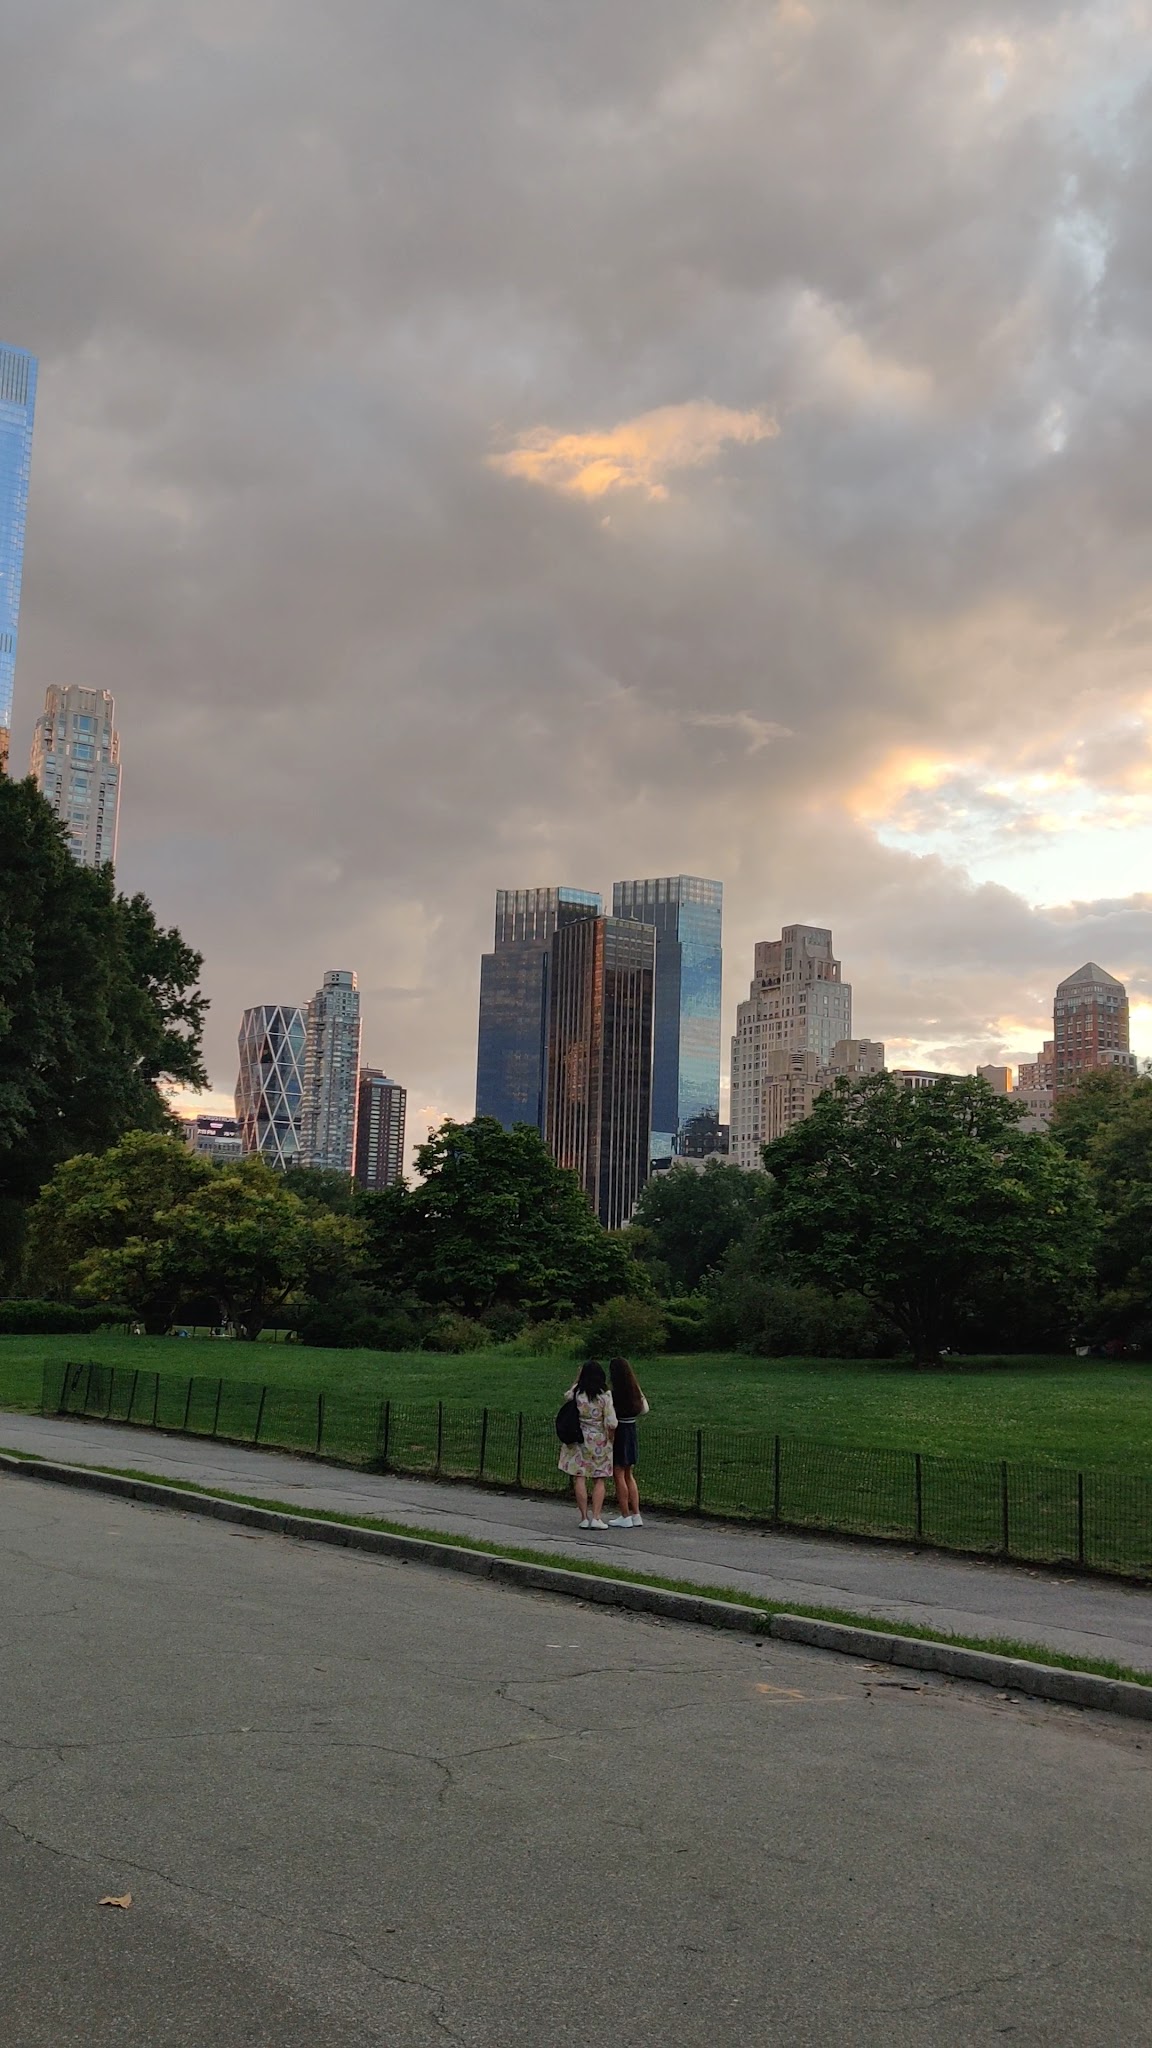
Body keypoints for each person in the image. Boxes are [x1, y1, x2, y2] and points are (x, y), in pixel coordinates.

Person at [558, 1359, 617, 1530]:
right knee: (599, 1479)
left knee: (579, 1476)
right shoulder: (604, 1396)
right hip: (599, 1439)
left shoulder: (577, 1393)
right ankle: (597, 1517)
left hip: (579, 1438)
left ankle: (584, 1517)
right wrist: (610, 1439)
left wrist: (577, 1378)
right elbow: (612, 1422)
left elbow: (566, 1396)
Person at [608, 1355, 649, 1528]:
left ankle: (625, 1514)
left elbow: (610, 1417)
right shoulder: (634, 1391)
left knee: (618, 1474)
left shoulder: (613, 1393)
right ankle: (636, 1514)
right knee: (629, 1474)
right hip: (631, 1429)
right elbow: (645, 1409)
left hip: (620, 1431)